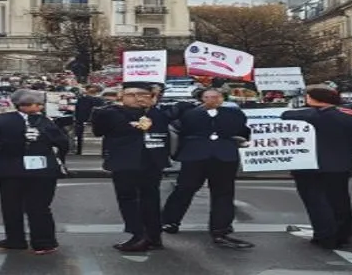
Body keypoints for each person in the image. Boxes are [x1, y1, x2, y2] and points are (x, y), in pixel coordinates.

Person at [281, 86, 352, 249]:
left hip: (307, 164)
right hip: (341, 163)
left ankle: (324, 234)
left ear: (312, 99)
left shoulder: (299, 115)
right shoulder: (351, 116)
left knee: (315, 200)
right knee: (340, 199)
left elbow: (282, 118)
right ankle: (343, 232)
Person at [0, 89, 70, 255]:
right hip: (43, 168)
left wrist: (8, 145)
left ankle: (15, 239)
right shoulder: (48, 122)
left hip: (10, 167)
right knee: (40, 206)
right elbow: (63, 143)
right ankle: (44, 242)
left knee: (11, 206)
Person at [161, 88, 253, 249]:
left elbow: (242, 131)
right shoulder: (189, 113)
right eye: (207, 97)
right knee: (185, 188)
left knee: (222, 193)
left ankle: (220, 230)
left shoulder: (233, 114)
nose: (211, 99)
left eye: (215, 97)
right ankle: (170, 221)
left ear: (222, 98)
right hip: (200, 155)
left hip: (218, 155)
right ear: (202, 99)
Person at [92, 84, 170, 252]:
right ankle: (139, 233)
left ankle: (152, 236)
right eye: (131, 95)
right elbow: (99, 128)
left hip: (151, 160)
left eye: (142, 94)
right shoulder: (112, 112)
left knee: (150, 198)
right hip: (124, 161)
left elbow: (179, 113)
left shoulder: (158, 112)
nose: (137, 98)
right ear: (122, 96)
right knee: (128, 198)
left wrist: (152, 105)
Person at [73, 85, 104, 156]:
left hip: (82, 120)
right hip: (95, 121)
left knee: (80, 136)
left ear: (87, 91)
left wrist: (77, 120)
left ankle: (79, 150)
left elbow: (77, 111)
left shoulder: (81, 99)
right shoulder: (100, 100)